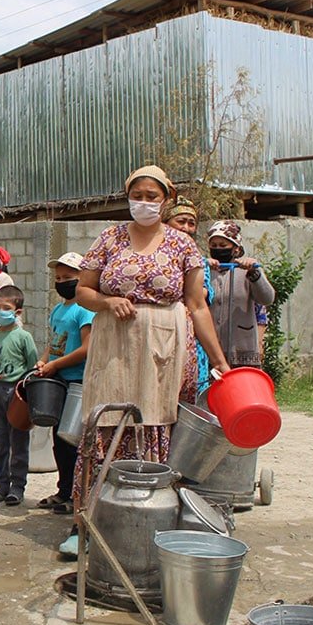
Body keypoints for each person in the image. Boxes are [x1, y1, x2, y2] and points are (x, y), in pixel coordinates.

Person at [64, 166, 230, 555]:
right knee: (105, 419)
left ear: (166, 199)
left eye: (151, 195)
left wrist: (219, 359)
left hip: (161, 347)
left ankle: (146, 520)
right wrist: (107, 301)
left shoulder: (182, 245)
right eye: (136, 194)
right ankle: (85, 523)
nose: (143, 201)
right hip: (113, 345)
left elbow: (197, 305)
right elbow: (83, 290)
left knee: (151, 421)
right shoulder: (110, 237)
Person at [34, 252, 93, 514]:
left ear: (81, 278)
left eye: (68, 277)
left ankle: (76, 495)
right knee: (60, 440)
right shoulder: (59, 309)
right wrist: (43, 361)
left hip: (78, 381)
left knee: (73, 440)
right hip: (58, 380)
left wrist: (55, 365)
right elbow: (54, 342)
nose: (62, 282)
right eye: (58, 278)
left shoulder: (85, 310)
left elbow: (87, 349)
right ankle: (64, 489)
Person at [0, 285, 38, 505]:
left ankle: (17, 487)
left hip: (17, 394)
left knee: (19, 441)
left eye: (6, 308)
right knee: (0, 442)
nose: (1, 312)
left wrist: (30, 400)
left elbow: (32, 369)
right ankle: (2, 485)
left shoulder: (23, 337)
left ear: (18, 312)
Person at [163, 197, 215, 394]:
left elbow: (202, 294)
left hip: (191, 335)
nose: (186, 227)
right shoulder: (153, 257)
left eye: (191, 223)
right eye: (180, 221)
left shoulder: (199, 261)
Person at [206, 220, 275, 368]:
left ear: (236, 248)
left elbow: (267, 299)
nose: (218, 249)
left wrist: (254, 274)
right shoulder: (206, 271)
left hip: (242, 350)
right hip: (211, 350)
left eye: (223, 246)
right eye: (214, 245)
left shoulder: (246, 271)